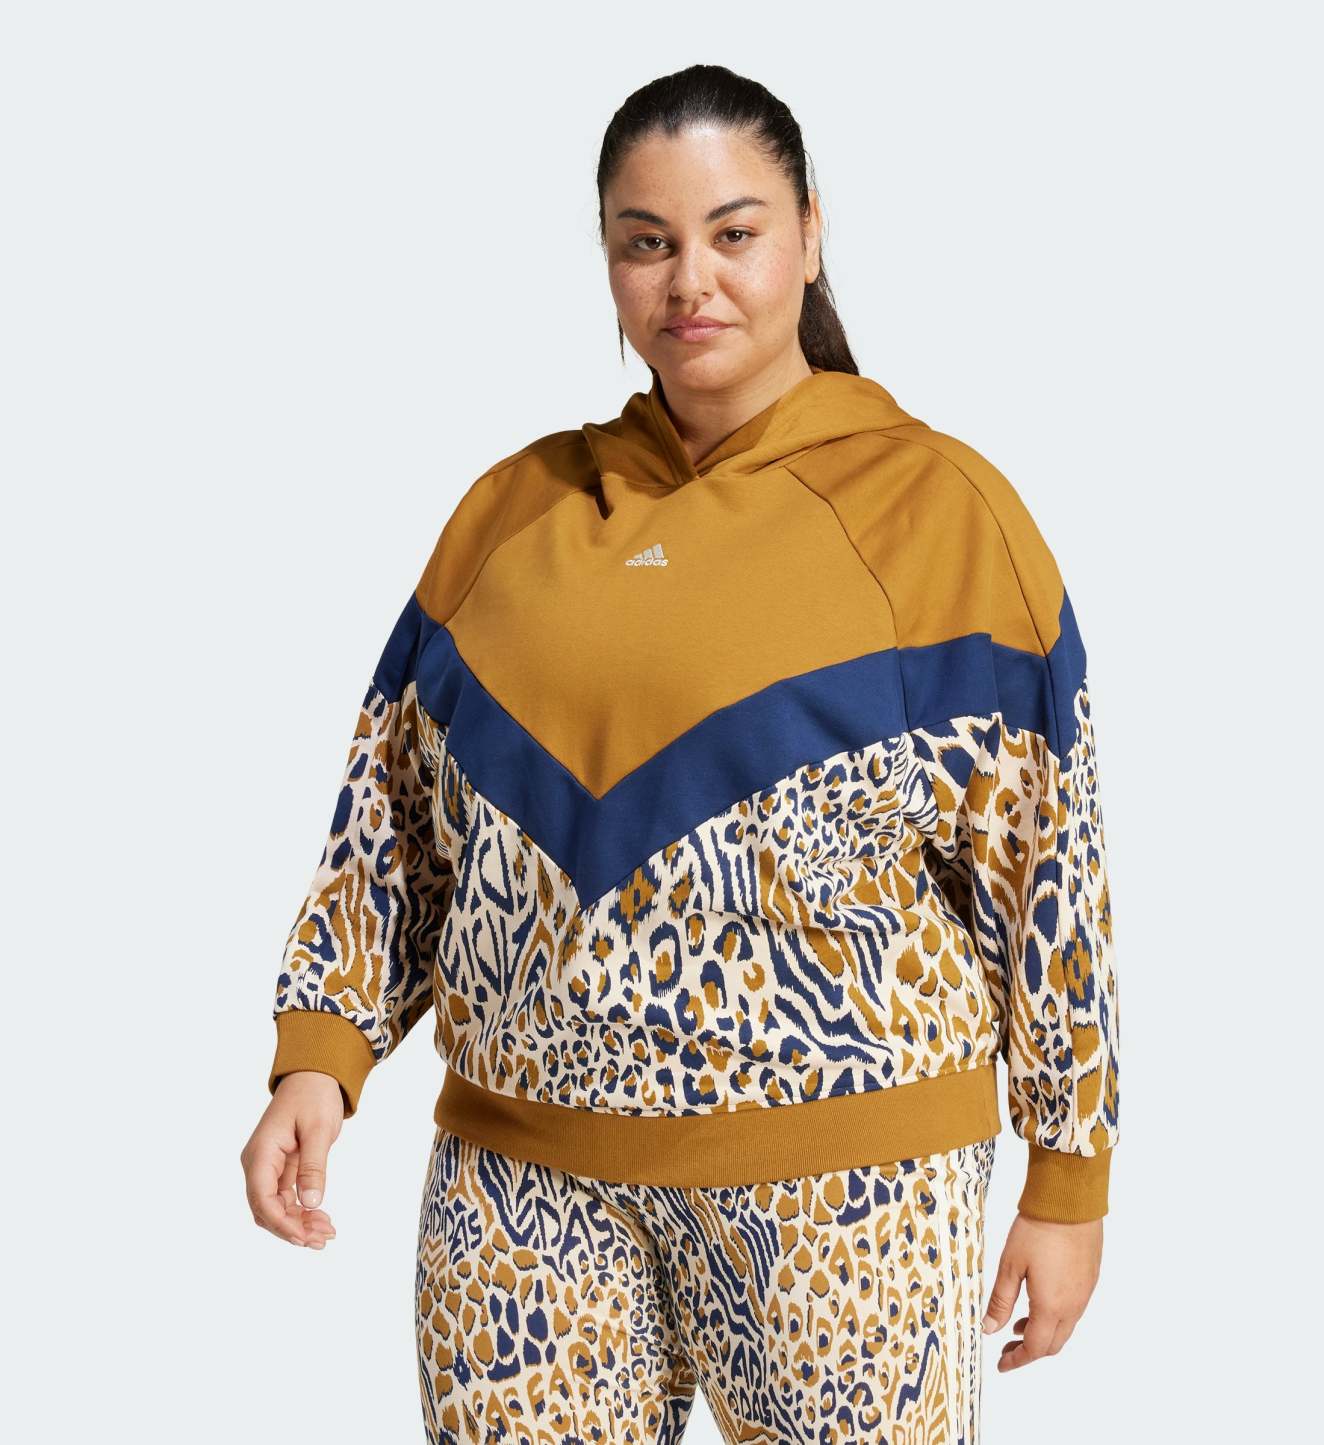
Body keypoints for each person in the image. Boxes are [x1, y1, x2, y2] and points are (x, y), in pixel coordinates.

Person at [240, 61, 1121, 1445]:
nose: (688, 281)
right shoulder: (514, 512)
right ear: (605, 257)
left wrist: (1067, 1179)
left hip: (847, 1193)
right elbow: (393, 822)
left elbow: (1048, 873)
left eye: (733, 232)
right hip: (520, 1197)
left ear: (810, 235)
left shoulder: (940, 513)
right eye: (645, 242)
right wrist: (319, 1055)